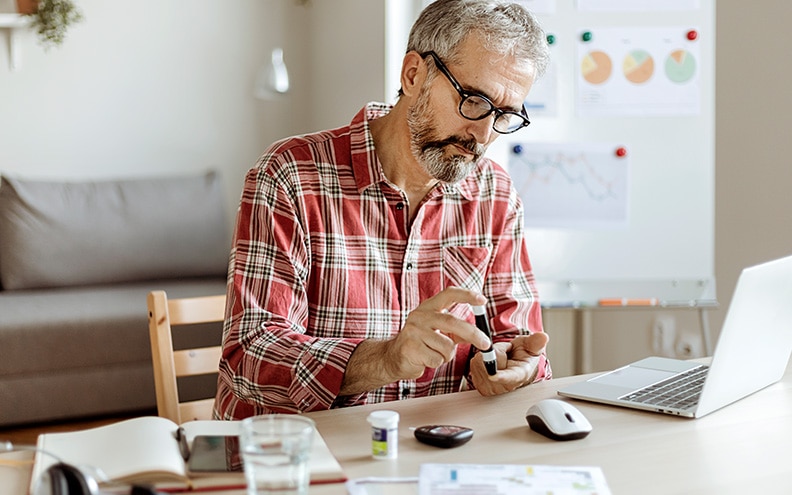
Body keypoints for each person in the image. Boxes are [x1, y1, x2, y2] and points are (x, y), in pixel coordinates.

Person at [214, 0, 551, 419]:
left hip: (430, 457)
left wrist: (512, 364)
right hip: (300, 459)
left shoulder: (494, 194)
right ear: (414, 75)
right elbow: (249, 357)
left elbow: (516, 335)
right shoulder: (292, 176)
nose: (482, 134)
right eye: (475, 100)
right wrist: (386, 359)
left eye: (505, 115)